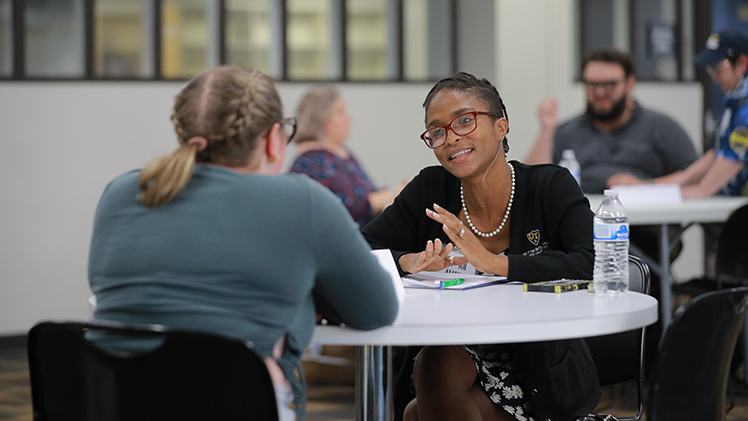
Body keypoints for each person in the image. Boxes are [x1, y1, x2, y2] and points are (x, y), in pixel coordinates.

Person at [87, 66, 399, 421]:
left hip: (117, 404)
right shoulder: (303, 201)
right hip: (233, 404)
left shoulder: (122, 192)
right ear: (272, 140)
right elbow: (377, 310)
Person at [362, 72, 600, 421]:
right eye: (438, 130)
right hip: (451, 351)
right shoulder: (430, 188)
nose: (451, 139)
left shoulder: (549, 187)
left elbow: (592, 263)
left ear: (501, 126)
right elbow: (357, 251)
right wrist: (406, 261)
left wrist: (496, 263)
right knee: (436, 364)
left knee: (418, 413)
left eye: (465, 121)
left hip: (538, 368)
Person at [524, 48, 698, 194]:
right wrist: (547, 129)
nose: (600, 92)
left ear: (629, 84)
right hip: (582, 223)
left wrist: (647, 186)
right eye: (592, 84)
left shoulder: (662, 127)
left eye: (610, 85)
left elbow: (695, 176)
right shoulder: (567, 131)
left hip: (646, 225)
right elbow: (531, 182)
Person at [608, 29, 748, 198]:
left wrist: (642, 192)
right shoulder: (735, 100)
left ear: (742, 63)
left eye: (718, 68)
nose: (714, 77)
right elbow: (717, 154)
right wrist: (647, 185)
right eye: (711, 70)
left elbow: (703, 190)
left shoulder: (745, 110)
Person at [289, 85, 405, 228]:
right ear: (320, 117)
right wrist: (395, 192)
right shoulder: (314, 161)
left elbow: (367, 191)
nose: (348, 117)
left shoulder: (341, 152)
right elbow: (351, 208)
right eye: (340, 112)